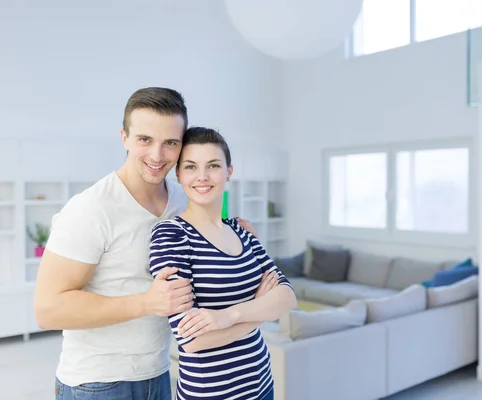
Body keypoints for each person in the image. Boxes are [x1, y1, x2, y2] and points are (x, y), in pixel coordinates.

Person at [34, 87, 260, 400]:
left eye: (170, 143)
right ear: (124, 137)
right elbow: (47, 310)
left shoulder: (182, 200)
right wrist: (146, 303)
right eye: (145, 140)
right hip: (96, 384)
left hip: (160, 373)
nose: (157, 155)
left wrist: (233, 228)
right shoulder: (90, 209)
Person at [149, 127, 297, 400]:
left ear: (229, 171)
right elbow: (192, 340)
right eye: (191, 167)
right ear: (179, 174)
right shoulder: (172, 235)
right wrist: (258, 313)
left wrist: (226, 316)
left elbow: (287, 296)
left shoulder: (241, 230)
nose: (202, 176)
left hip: (262, 384)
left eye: (213, 165)